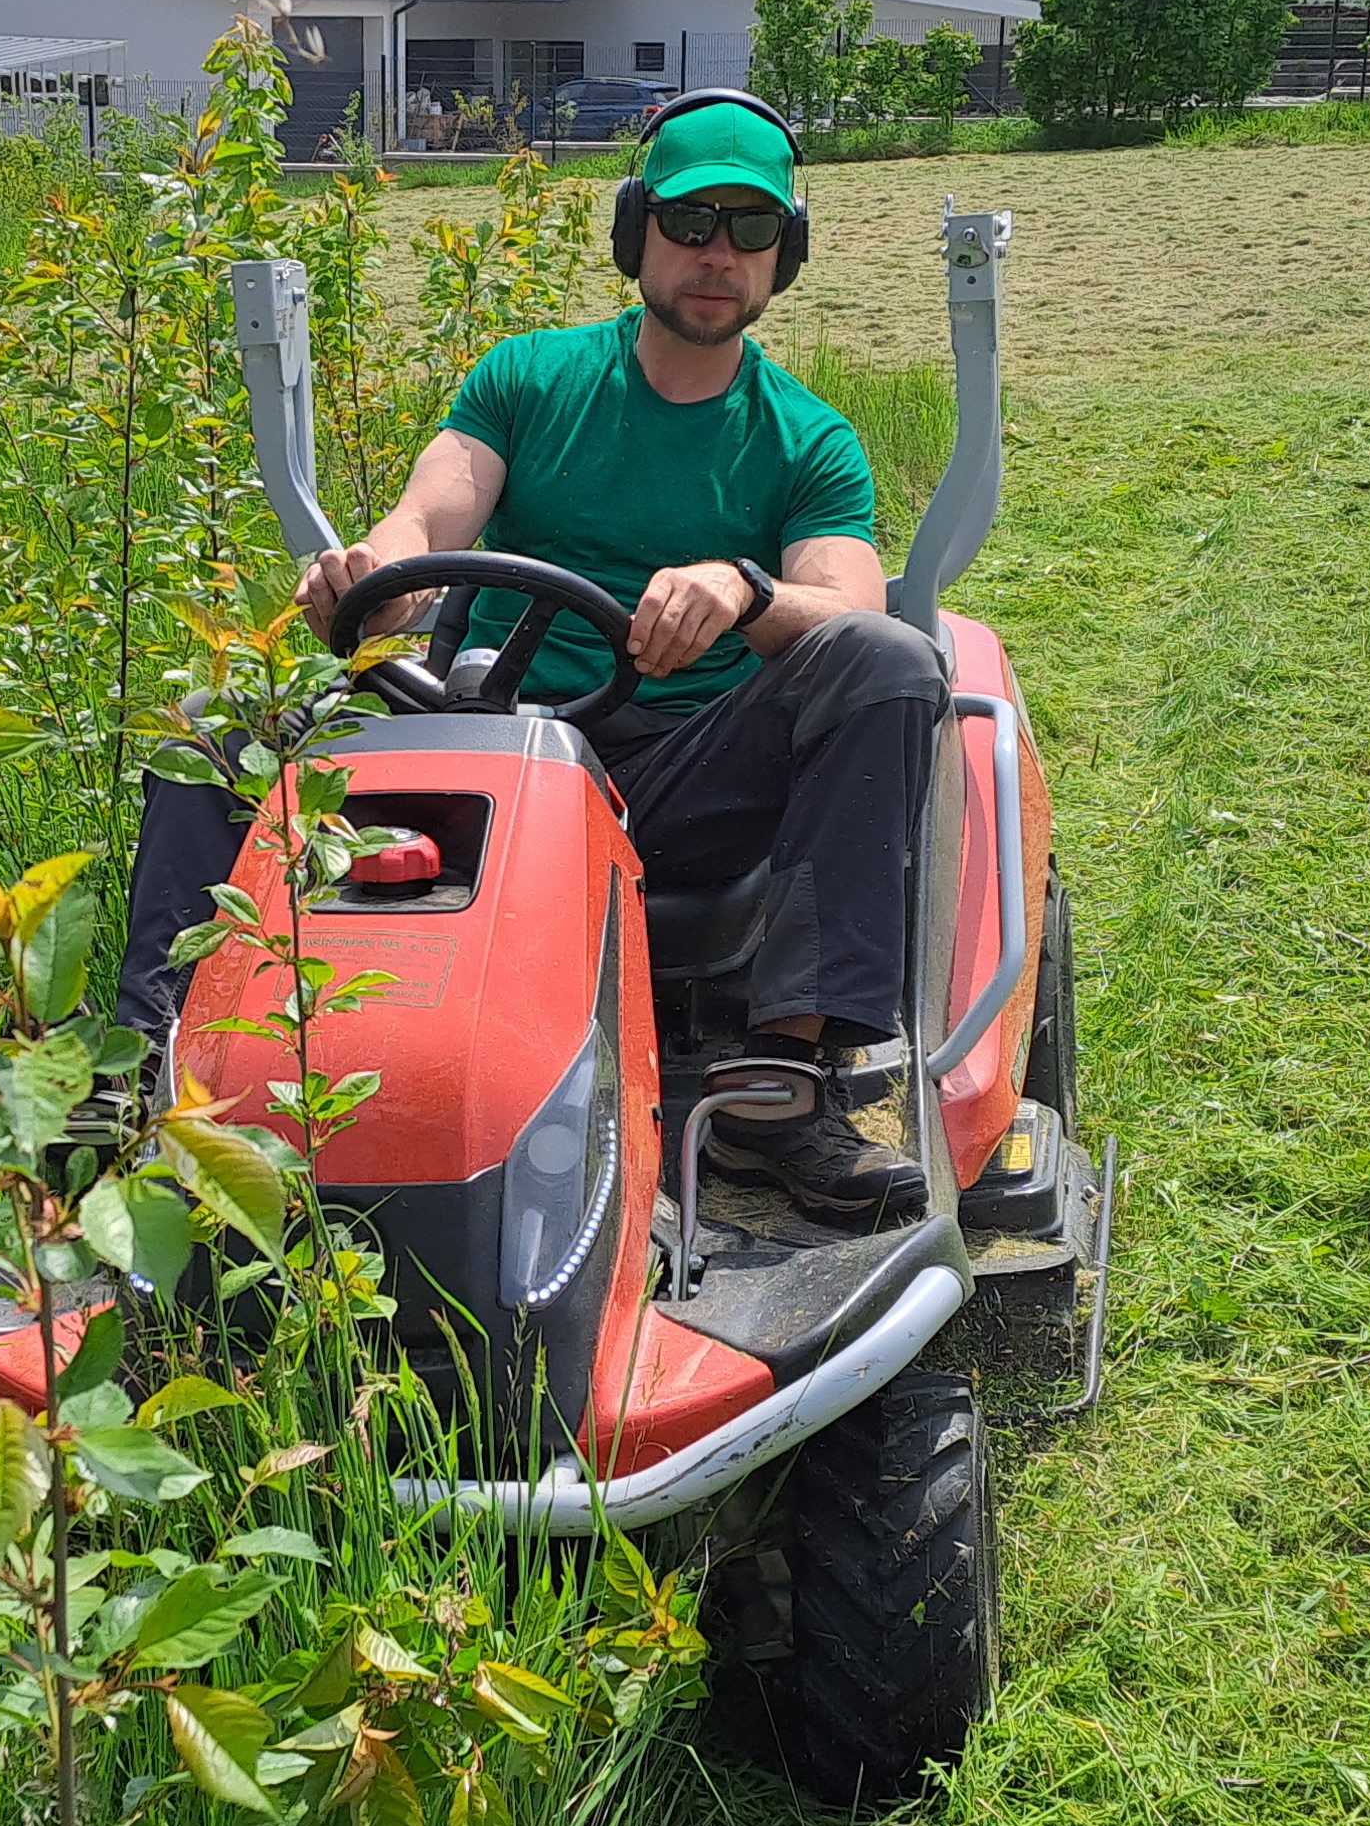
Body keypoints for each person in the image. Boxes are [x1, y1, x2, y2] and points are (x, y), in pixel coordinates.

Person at [111, 91, 951, 1225]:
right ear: (635, 231)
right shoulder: (528, 380)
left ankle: (780, 1092)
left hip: (678, 782)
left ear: (781, 257)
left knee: (883, 662)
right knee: (215, 728)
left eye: (751, 231)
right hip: (484, 750)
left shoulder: (805, 437)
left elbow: (852, 603)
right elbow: (429, 520)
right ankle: (139, 1074)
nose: (717, 254)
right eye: (691, 221)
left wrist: (742, 588)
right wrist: (373, 574)